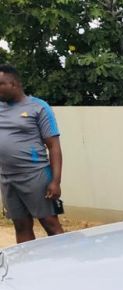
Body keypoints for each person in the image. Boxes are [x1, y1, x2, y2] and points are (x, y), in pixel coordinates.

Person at [0, 64, 64, 243]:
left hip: (35, 176)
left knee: (50, 223)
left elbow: (54, 146)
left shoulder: (38, 107)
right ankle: (28, 269)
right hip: (7, 178)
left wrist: (55, 181)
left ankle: (66, 266)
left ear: (13, 83)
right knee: (20, 225)